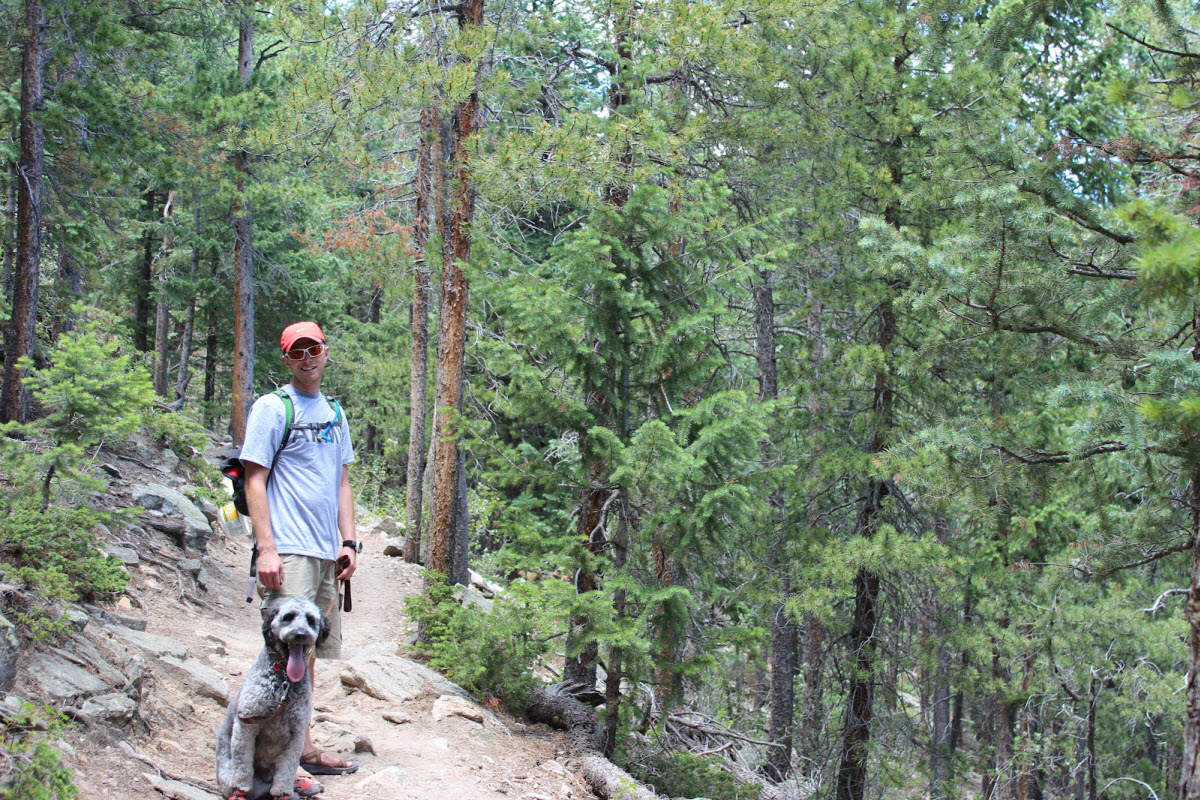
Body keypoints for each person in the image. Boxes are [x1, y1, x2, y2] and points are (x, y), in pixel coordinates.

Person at [240, 321, 360, 788]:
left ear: (326, 353)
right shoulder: (273, 408)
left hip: (325, 551)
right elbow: (255, 478)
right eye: (297, 352)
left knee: (305, 655)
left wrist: (348, 542)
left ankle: (300, 751)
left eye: (314, 350)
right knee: (282, 653)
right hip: (289, 549)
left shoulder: (335, 413)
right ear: (286, 359)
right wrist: (266, 549)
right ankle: (270, 761)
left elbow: (342, 481)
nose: (307, 359)